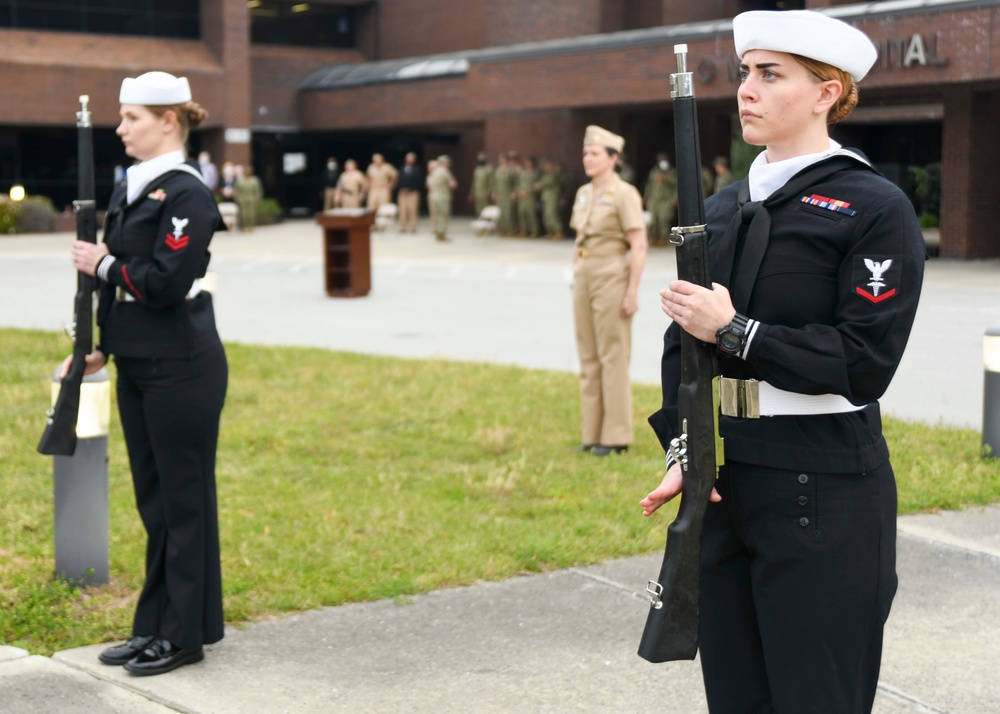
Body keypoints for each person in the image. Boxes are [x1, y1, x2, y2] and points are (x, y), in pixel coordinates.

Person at [641, 11, 925, 713]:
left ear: (828, 92)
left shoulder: (873, 208)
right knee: (736, 700)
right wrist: (685, 446)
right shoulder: (724, 206)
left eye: (771, 75)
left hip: (823, 483)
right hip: (730, 481)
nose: (747, 90)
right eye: (745, 73)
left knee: (816, 699)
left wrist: (736, 330)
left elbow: (863, 360)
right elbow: (684, 347)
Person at [64, 71, 227, 677]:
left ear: (169, 121)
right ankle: (159, 626)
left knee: (183, 504)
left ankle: (183, 635)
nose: (120, 127)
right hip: (139, 361)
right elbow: (124, 282)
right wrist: (101, 346)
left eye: (132, 117)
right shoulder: (133, 186)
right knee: (157, 504)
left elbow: (163, 281)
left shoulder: (187, 194)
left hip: (182, 367)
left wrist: (103, 263)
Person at [570, 125, 648, 456]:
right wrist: (575, 271)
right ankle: (592, 433)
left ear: (613, 158)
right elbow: (580, 237)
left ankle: (615, 436)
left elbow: (639, 244)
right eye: (585, 153)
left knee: (612, 356)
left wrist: (632, 291)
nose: (587, 158)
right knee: (588, 356)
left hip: (611, 274)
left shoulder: (624, 193)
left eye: (594, 154)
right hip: (585, 274)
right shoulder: (584, 193)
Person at [643, 153, 678, 247]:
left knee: (664, 220)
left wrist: (665, 179)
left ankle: (663, 238)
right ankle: (654, 237)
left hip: (665, 201)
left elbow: (676, 186)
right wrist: (646, 197)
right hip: (654, 200)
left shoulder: (671, 172)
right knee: (653, 221)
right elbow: (649, 185)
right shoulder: (654, 171)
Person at [427, 154, 457, 242]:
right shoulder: (445, 172)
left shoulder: (434, 172)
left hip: (434, 196)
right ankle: (442, 234)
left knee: (437, 216)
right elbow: (453, 184)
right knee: (443, 216)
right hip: (443, 197)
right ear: (445, 163)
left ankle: (437, 233)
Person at [536, 158, 563, 240]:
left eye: (546, 166)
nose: (545, 168)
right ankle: (551, 232)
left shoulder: (555, 173)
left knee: (551, 214)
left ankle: (558, 231)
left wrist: (540, 184)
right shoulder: (545, 175)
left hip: (552, 198)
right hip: (546, 198)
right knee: (546, 216)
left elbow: (549, 182)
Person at [396, 152, 423, 232]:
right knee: (402, 210)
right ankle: (403, 227)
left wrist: (410, 188)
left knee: (413, 210)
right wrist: (402, 188)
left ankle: (413, 227)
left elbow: (419, 181)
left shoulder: (417, 169)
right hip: (402, 193)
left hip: (413, 193)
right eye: (408, 159)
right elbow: (399, 180)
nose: (410, 160)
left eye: (411, 159)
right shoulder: (402, 169)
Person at [516, 156, 540, 238]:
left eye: (529, 162)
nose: (527, 164)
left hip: (530, 196)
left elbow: (536, 186)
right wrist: (519, 192)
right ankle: (524, 231)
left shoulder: (535, 173)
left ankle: (534, 231)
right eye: (526, 162)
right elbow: (519, 183)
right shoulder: (522, 173)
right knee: (522, 213)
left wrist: (528, 191)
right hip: (522, 196)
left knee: (531, 214)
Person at [234, 164, 263, 233]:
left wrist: (257, 199)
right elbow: (237, 191)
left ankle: (251, 226)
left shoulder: (254, 180)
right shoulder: (240, 181)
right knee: (243, 214)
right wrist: (237, 199)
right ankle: (244, 226)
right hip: (242, 199)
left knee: (251, 214)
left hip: (251, 199)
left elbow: (257, 191)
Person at [494, 151, 518, 236]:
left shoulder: (510, 170)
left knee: (508, 213)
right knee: (502, 213)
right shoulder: (498, 170)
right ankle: (503, 230)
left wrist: (514, 192)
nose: (501, 161)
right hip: (500, 194)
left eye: (503, 159)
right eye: (500, 159)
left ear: (507, 160)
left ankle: (511, 230)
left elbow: (515, 182)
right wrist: (495, 192)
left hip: (508, 194)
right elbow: (496, 182)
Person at [468, 151, 495, 217]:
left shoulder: (489, 169)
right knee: (478, 210)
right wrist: (471, 193)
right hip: (478, 194)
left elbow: (491, 182)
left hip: (485, 194)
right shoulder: (477, 170)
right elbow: (474, 182)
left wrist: (491, 192)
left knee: (486, 210)